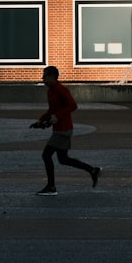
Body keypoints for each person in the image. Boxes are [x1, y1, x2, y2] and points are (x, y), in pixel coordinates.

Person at [30, 65, 101, 195]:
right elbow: (52, 110)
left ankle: (51, 187)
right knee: (63, 159)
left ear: (52, 77)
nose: (42, 79)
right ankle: (92, 170)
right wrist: (41, 120)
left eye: (45, 76)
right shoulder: (51, 91)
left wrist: (57, 116)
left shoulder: (61, 89)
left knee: (46, 156)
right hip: (59, 129)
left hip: (63, 129)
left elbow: (73, 105)